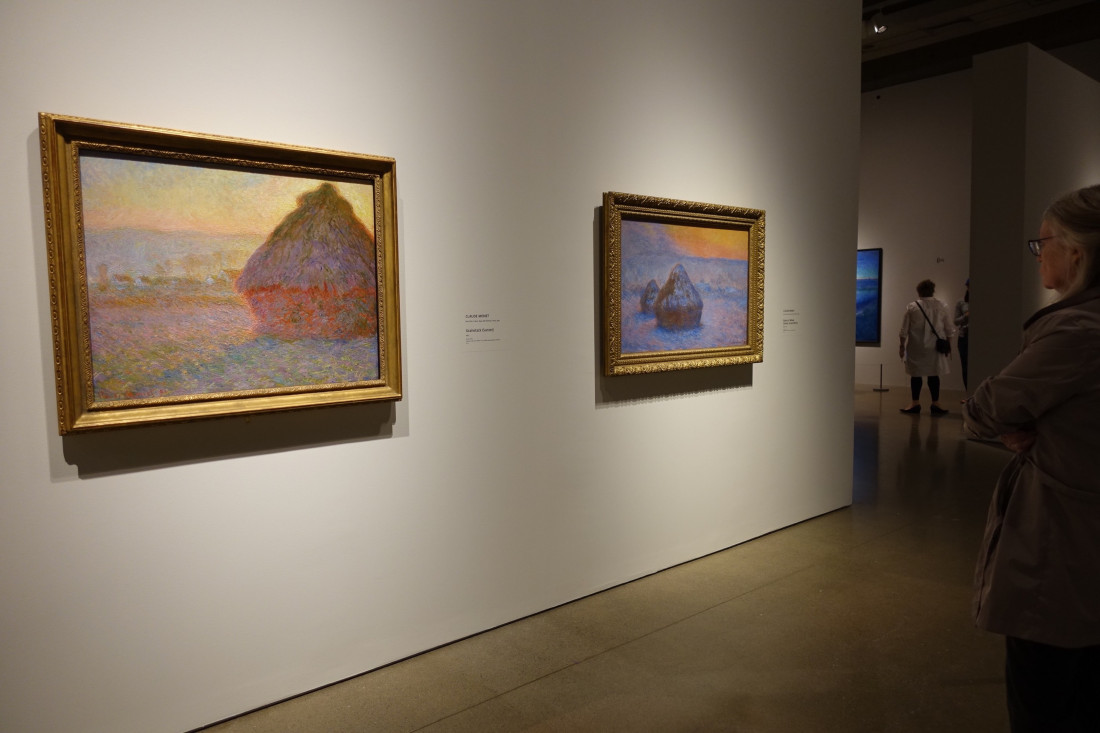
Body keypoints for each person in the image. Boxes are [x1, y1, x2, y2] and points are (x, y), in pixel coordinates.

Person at [963, 184, 1100, 732]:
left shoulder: (1076, 333)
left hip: (1063, 548)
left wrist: (1019, 425)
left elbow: (983, 409)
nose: (1038, 254)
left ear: (1077, 252)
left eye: (1043, 242)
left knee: (1045, 701)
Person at [898, 279, 953, 415]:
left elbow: (904, 330)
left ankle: (915, 403)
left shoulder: (912, 307)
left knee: (916, 375)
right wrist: (949, 346)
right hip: (935, 347)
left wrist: (902, 346)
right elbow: (949, 329)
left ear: (919, 291)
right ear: (933, 290)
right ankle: (935, 403)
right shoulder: (942, 306)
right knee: (934, 374)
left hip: (916, 347)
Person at [955, 278, 970, 389]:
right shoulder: (961, 302)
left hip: (978, 338)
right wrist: (965, 316)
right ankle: (968, 392)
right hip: (964, 337)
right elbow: (955, 321)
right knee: (965, 367)